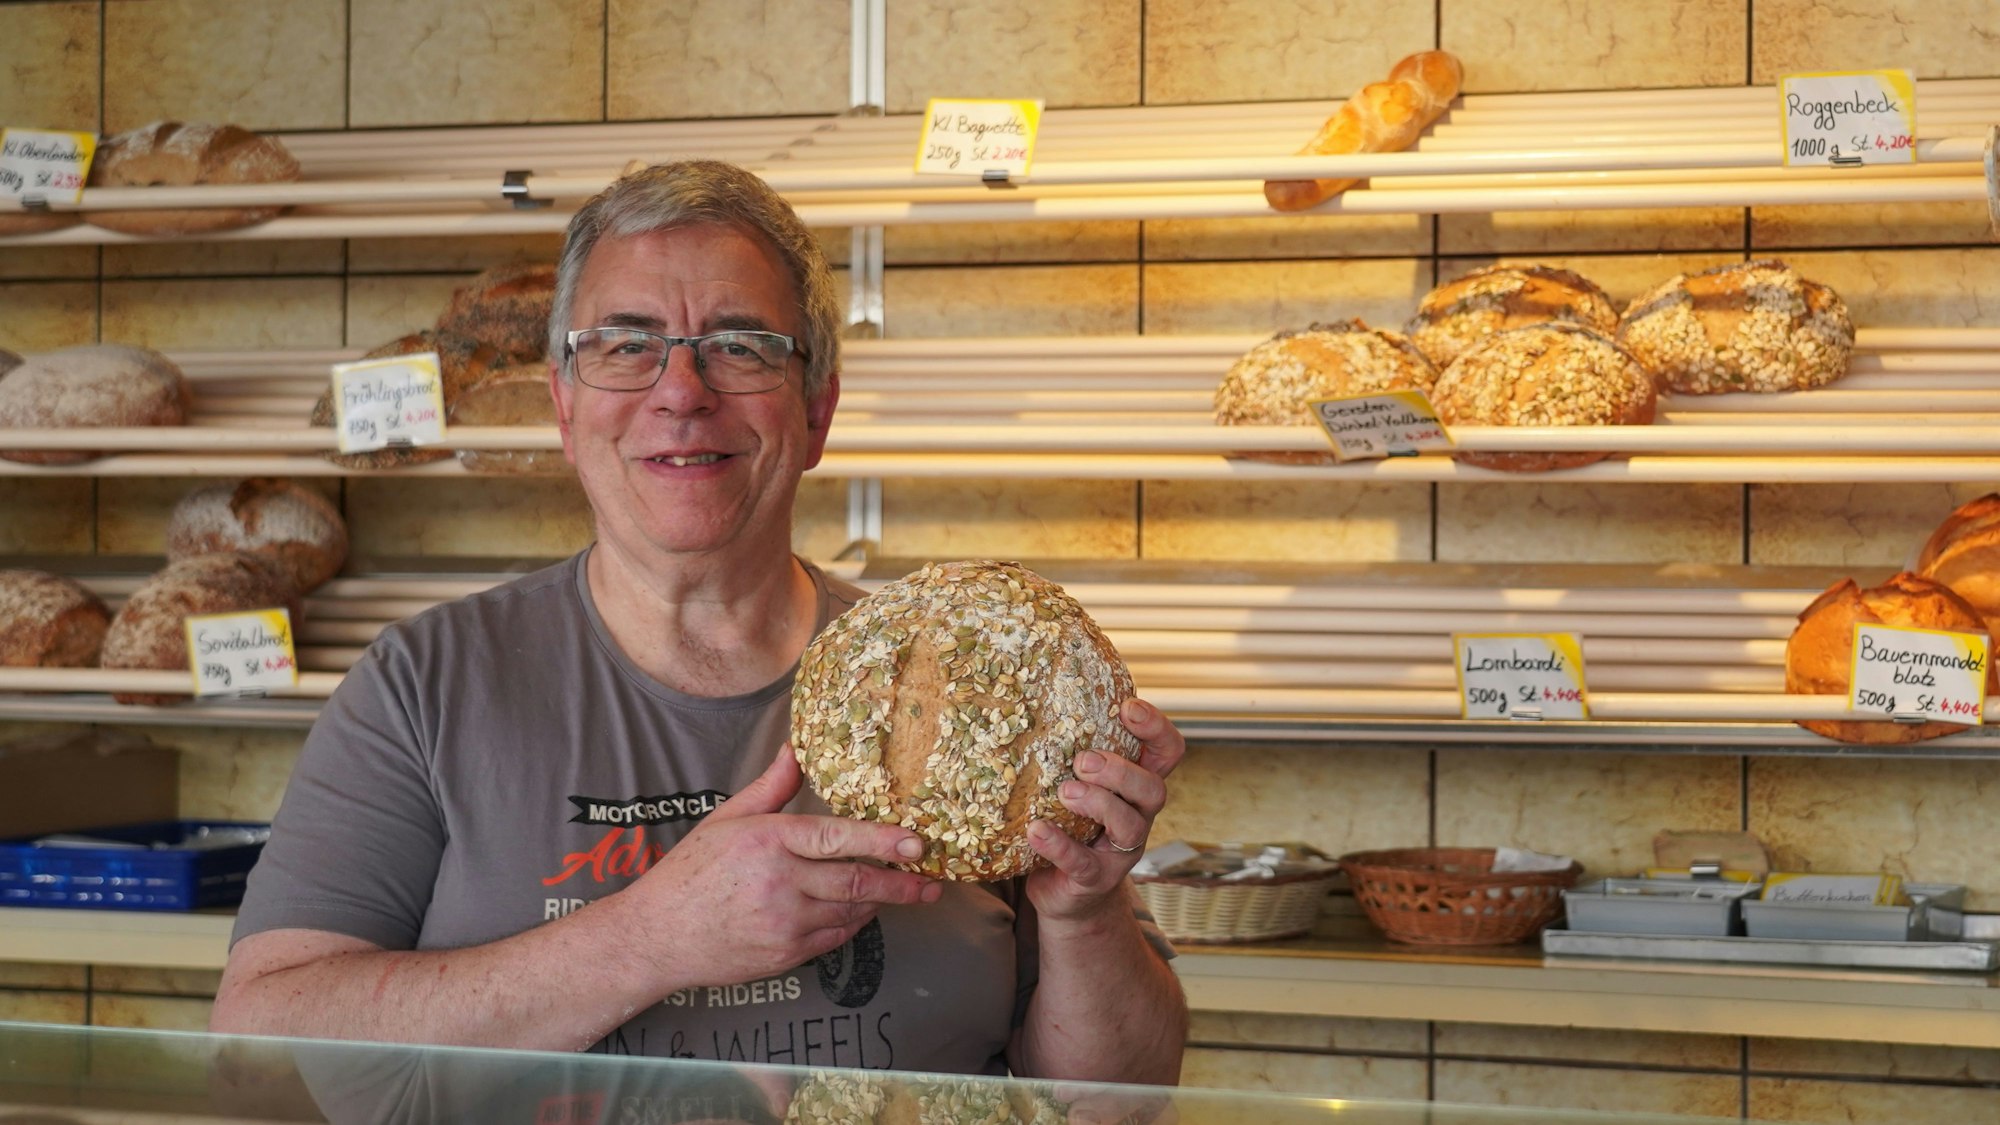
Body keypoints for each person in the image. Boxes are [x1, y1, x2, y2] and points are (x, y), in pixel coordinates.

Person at [211, 159, 1189, 1085]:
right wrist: (647, 939)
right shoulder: (426, 685)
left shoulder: (989, 700)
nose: (680, 394)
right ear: (564, 406)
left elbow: (1114, 1102)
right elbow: (259, 1044)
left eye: (738, 345)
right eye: (625, 345)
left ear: (817, 412)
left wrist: (1085, 913)